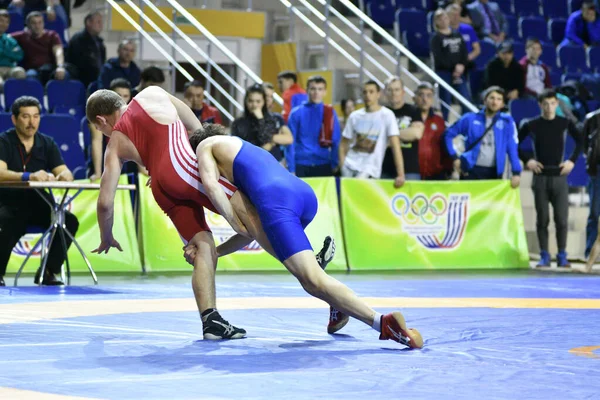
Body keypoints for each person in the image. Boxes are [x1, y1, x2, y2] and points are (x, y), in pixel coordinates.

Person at [85, 87, 334, 341]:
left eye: (99, 128)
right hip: (183, 167)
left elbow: (105, 202)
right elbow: (196, 128)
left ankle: (210, 320)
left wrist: (106, 236)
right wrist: (202, 157)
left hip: (161, 188)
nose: (103, 132)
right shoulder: (151, 94)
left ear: (101, 120)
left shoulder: (114, 144)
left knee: (202, 246)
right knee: (253, 221)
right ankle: (312, 272)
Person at [188, 126, 423, 349]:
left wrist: (230, 220)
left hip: (277, 201)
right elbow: (253, 232)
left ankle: (383, 323)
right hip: (303, 194)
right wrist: (216, 252)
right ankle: (337, 303)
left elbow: (211, 186)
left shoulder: (204, 146)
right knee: (303, 269)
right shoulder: (240, 147)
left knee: (311, 280)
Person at [0, 96, 79, 286]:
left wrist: (65, 176)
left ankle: (48, 272)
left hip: (37, 200)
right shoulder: (4, 141)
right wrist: (27, 176)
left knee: (67, 221)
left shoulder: (47, 143)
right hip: (8, 199)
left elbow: (63, 170)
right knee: (7, 221)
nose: (31, 122)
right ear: (14, 119)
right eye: (26, 117)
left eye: (36, 117)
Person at [518, 89, 582, 268]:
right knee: (543, 218)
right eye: (545, 104)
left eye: (552, 103)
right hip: (540, 176)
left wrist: (572, 161)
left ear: (557, 104)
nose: (549, 107)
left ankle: (562, 254)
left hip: (559, 176)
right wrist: (528, 160)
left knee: (561, 219)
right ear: (540, 105)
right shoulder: (532, 124)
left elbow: (581, 140)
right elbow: (514, 143)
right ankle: (544, 254)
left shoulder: (565, 123)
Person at [444, 85, 522, 185]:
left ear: (502, 104)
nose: (495, 102)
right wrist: (454, 157)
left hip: (494, 172)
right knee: (470, 201)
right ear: (485, 101)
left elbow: (512, 148)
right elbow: (447, 135)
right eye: (492, 98)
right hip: (471, 170)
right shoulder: (470, 119)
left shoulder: (507, 122)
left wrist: (516, 172)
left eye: (499, 99)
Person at [339, 80, 405, 188]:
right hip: (349, 167)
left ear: (378, 94)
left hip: (370, 169)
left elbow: (395, 145)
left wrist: (401, 174)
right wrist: (343, 166)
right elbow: (343, 144)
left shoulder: (387, 115)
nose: (367, 95)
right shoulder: (354, 116)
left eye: (371, 92)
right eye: (365, 92)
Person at [286, 75, 341, 177]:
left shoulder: (330, 112)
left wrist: (334, 164)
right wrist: (291, 168)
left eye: (320, 89)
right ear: (307, 90)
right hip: (301, 164)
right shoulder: (296, 113)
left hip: (324, 164)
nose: (316, 92)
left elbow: (336, 140)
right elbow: (290, 143)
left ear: (325, 92)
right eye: (313, 89)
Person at [231, 84, 293, 164]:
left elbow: (269, 138)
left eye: (258, 101)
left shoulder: (273, 119)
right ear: (245, 101)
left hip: (272, 163)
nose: (254, 105)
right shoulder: (238, 122)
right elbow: (236, 147)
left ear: (264, 101)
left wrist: (260, 119)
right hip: (249, 162)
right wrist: (270, 143)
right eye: (250, 101)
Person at [430, 8, 470, 120]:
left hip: (459, 73)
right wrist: (454, 68)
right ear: (436, 22)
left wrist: (461, 65)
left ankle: (465, 125)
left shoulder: (457, 35)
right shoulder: (436, 38)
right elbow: (439, 57)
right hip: (444, 72)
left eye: (445, 17)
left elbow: (464, 53)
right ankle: (444, 125)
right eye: (439, 18)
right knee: (445, 101)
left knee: (465, 99)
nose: (443, 20)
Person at [384, 76, 424, 180]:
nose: (393, 93)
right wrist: (406, 133)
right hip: (385, 169)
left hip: (410, 169)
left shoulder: (414, 111)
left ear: (403, 92)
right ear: (385, 93)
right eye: (390, 90)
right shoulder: (381, 113)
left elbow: (416, 134)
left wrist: (389, 135)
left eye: (397, 89)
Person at [65, 10, 105, 87]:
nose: (101, 25)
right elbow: (80, 64)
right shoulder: (78, 39)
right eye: (98, 22)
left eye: (101, 22)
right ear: (88, 22)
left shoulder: (100, 42)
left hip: (96, 81)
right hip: (82, 82)